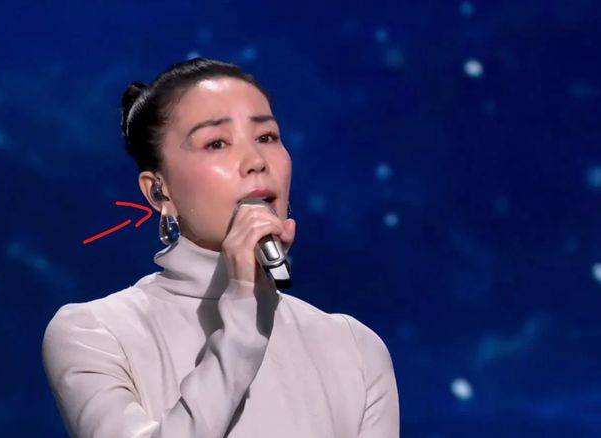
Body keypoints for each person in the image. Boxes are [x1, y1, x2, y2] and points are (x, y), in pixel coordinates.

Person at [41, 57, 399, 437]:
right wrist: (243, 316)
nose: (256, 161)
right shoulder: (93, 333)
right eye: (216, 143)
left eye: (266, 137)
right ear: (159, 191)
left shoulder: (354, 348)